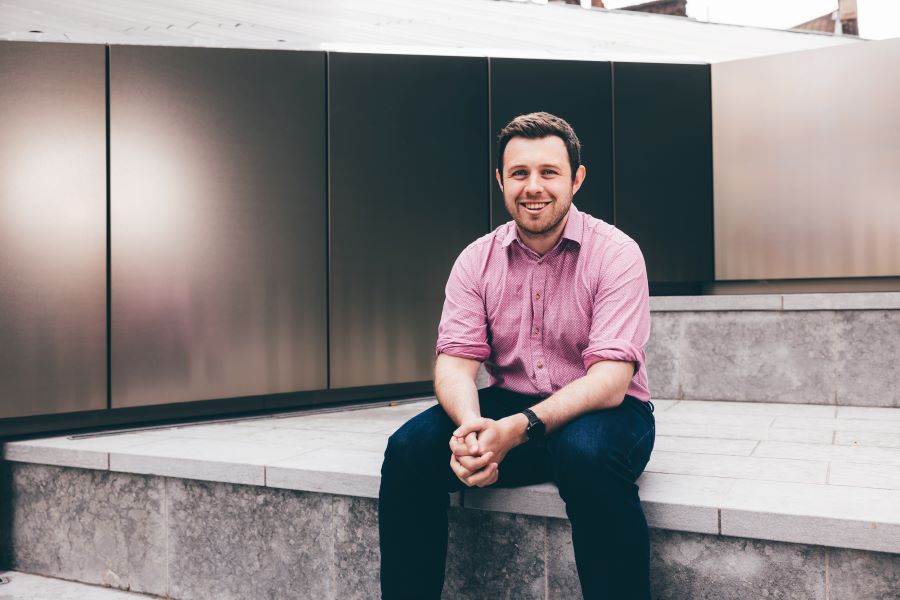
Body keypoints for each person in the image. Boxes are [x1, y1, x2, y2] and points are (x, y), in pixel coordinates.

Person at [378, 111, 655, 599]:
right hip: (509, 404)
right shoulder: (476, 259)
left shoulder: (616, 253)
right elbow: (455, 361)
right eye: (520, 173)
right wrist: (472, 429)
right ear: (501, 180)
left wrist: (515, 430)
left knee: (584, 453)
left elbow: (611, 380)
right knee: (407, 453)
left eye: (549, 172)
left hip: (607, 412)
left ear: (576, 179)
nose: (534, 187)